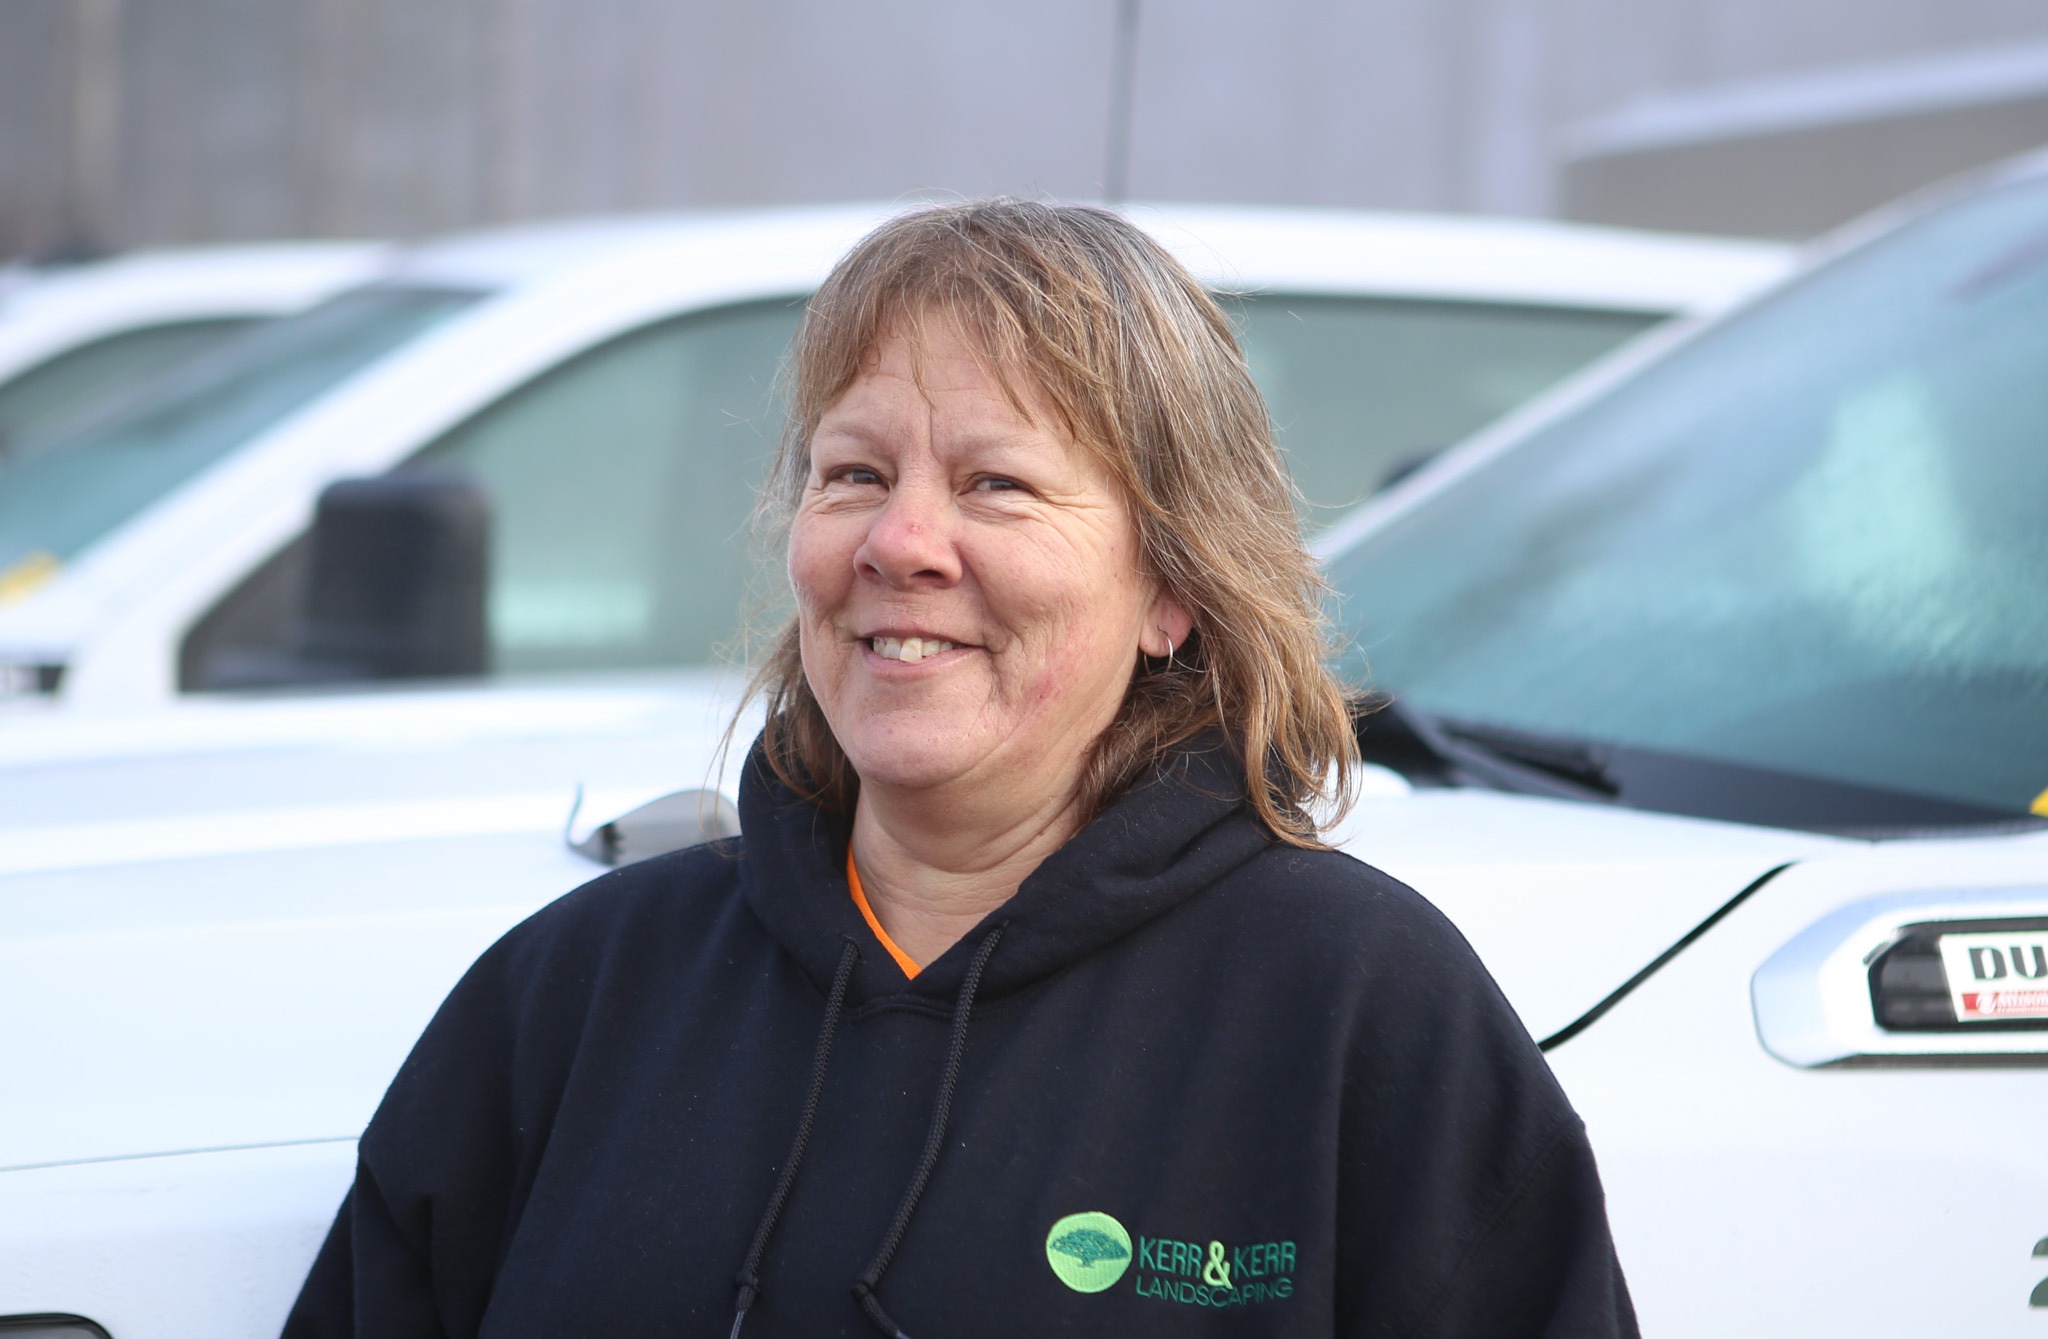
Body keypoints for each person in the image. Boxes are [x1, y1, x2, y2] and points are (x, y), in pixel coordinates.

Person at [283, 200, 1636, 1337]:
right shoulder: (576, 993)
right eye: (856, 475)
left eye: (996, 484)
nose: (900, 543)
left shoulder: (1362, 1010)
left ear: (1173, 586)